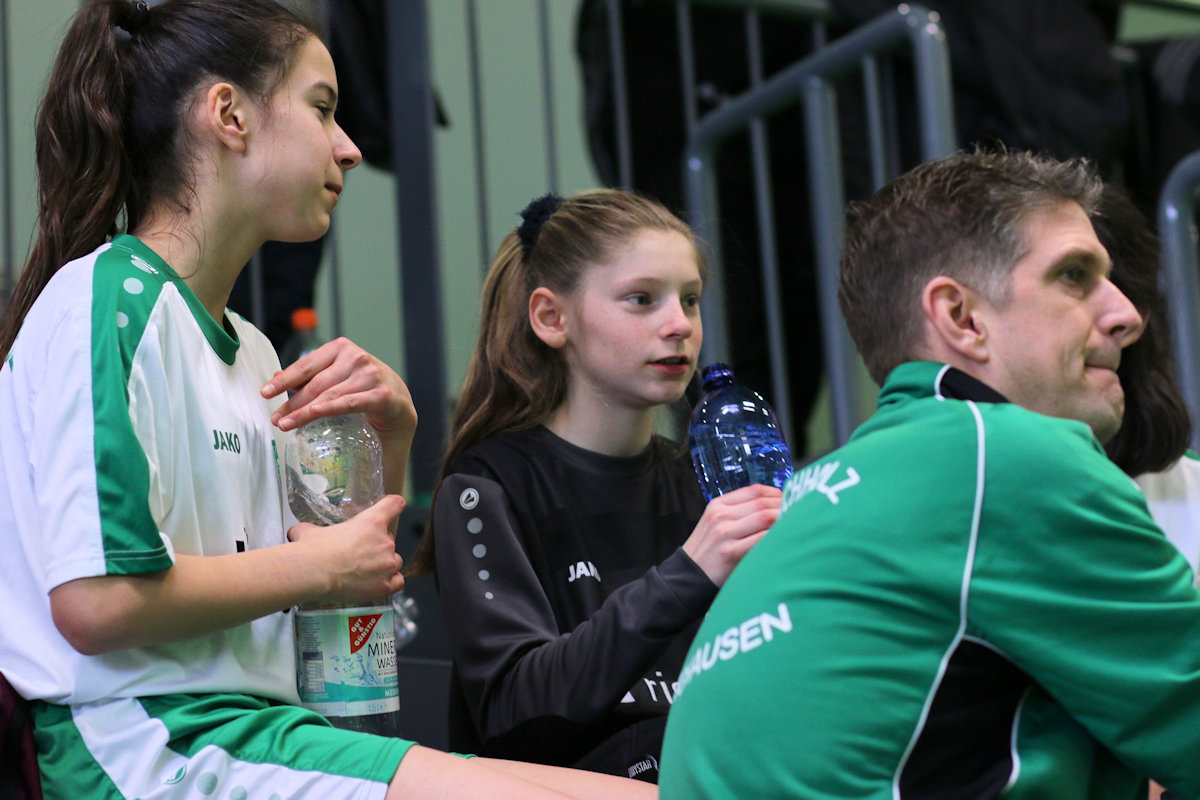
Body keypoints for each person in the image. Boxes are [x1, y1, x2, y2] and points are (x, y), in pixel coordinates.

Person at [0, 3, 655, 798]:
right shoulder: (105, 299)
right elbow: (95, 603)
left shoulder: (257, 352)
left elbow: (348, 665)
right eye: (321, 107)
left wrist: (390, 453)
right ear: (229, 116)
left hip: (268, 734)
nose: (348, 146)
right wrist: (313, 564)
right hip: (144, 746)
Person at [658, 150, 1200, 798]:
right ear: (962, 318)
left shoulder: (818, 491)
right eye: (1075, 276)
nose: (1128, 315)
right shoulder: (1008, 458)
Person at [406, 189, 782, 782]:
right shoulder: (487, 487)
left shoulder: (699, 479)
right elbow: (514, 713)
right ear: (552, 319)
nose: (679, 324)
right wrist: (688, 571)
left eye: (690, 300)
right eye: (642, 300)